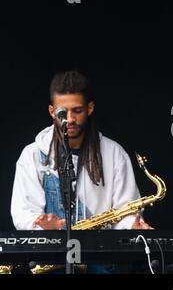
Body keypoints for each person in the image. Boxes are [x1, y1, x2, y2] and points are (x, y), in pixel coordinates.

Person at [11, 70, 152, 231]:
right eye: (62, 113)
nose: (70, 119)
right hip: (49, 256)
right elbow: (23, 214)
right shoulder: (32, 155)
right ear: (51, 112)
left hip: (101, 253)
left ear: (90, 108)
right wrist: (40, 225)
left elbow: (126, 212)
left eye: (77, 111)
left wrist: (131, 225)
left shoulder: (115, 154)